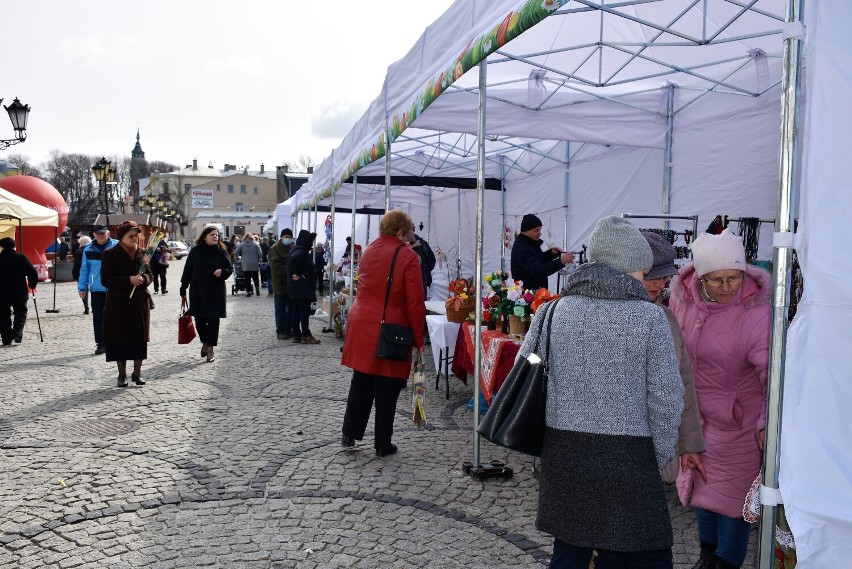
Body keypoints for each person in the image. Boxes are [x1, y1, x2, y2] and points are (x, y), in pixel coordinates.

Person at [518, 215, 683, 569]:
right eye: (643, 273)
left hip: (565, 451)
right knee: (646, 554)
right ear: (629, 270)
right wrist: (658, 456)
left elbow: (526, 366)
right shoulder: (650, 319)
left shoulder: (551, 312)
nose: (648, 282)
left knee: (571, 550)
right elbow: (667, 400)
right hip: (631, 454)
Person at [669, 229, 770, 569]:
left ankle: (726, 563)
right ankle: (707, 558)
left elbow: (772, 374)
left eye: (734, 277)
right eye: (717, 280)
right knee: (703, 490)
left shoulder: (756, 312)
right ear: (700, 278)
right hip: (697, 420)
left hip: (739, 424)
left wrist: (765, 422)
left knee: (733, 501)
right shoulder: (682, 302)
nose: (727, 287)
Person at [340, 210, 426, 457]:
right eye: (407, 234)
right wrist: (418, 338)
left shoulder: (368, 250)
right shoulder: (407, 256)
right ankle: (382, 443)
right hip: (390, 327)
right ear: (400, 232)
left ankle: (349, 433)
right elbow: (414, 301)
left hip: (362, 322)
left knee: (361, 381)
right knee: (386, 387)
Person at [639, 231, 706, 484]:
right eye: (651, 277)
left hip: (652, 455)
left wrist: (689, 444)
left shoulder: (665, 318)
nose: (659, 284)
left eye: (664, 278)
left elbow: (684, 383)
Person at [100, 221, 153, 387]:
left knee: (139, 339)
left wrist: (144, 279)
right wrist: (128, 280)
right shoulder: (110, 254)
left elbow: (150, 275)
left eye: (137, 235)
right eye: (131, 235)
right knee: (119, 340)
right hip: (118, 304)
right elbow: (106, 280)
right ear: (122, 237)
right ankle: (121, 375)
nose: (135, 238)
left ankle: (137, 373)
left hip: (139, 303)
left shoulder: (143, 253)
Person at [180, 226, 233, 363]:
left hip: (216, 291)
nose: (215, 237)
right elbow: (188, 270)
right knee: (200, 320)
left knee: (214, 320)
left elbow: (229, 268)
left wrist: (223, 272)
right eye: (212, 234)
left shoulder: (221, 251)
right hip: (198, 290)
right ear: (204, 236)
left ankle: (210, 349)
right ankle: (205, 341)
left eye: (216, 235)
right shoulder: (195, 252)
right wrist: (183, 287)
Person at [78, 225, 118, 355]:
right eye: (98, 234)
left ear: (108, 233)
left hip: (114, 287)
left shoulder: (117, 246)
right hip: (96, 289)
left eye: (103, 233)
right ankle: (101, 343)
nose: (101, 236)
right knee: (98, 317)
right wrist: (82, 287)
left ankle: (114, 341)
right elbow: (84, 270)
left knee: (114, 316)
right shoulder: (88, 249)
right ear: (94, 235)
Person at [510, 214, 574, 291]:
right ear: (526, 231)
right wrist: (560, 262)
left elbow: (538, 260)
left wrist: (550, 254)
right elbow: (538, 270)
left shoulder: (530, 243)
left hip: (535, 292)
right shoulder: (522, 247)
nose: (540, 233)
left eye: (540, 229)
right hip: (527, 296)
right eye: (536, 230)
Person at [0, 237, 38, 346]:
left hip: (2, 293)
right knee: (21, 313)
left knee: (3, 315)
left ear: (2, 247)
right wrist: (32, 284)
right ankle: (17, 333)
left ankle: (6, 339)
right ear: (14, 246)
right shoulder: (21, 258)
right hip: (19, 291)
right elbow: (33, 272)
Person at [287, 230, 320, 344]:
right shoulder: (300, 251)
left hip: (296, 288)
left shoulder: (295, 250)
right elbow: (296, 259)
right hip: (302, 288)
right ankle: (305, 334)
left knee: (296, 311)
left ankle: (297, 334)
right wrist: (299, 273)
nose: (311, 244)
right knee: (303, 312)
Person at [269, 228, 295, 340]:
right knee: (280, 309)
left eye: (290, 237)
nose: (288, 239)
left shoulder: (292, 248)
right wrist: (291, 272)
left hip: (291, 284)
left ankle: (289, 329)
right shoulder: (274, 249)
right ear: (281, 237)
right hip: (279, 284)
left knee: (291, 308)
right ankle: (280, 330)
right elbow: (276, 266)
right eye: (286, 237)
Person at [406, 230, 436, 298]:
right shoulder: (402, 246)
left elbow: (432, 260)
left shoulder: (422, 244)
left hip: (424, 281)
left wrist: (423, 271)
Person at [72, 235, 92, 314]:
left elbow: (76, 265)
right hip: (91, 273)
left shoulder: (78, 251)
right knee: (93, 291)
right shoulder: (91, 250)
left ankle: (86, 307)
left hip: (81, 274)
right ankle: (94, 307)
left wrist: (75, 274)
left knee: (83, 291)